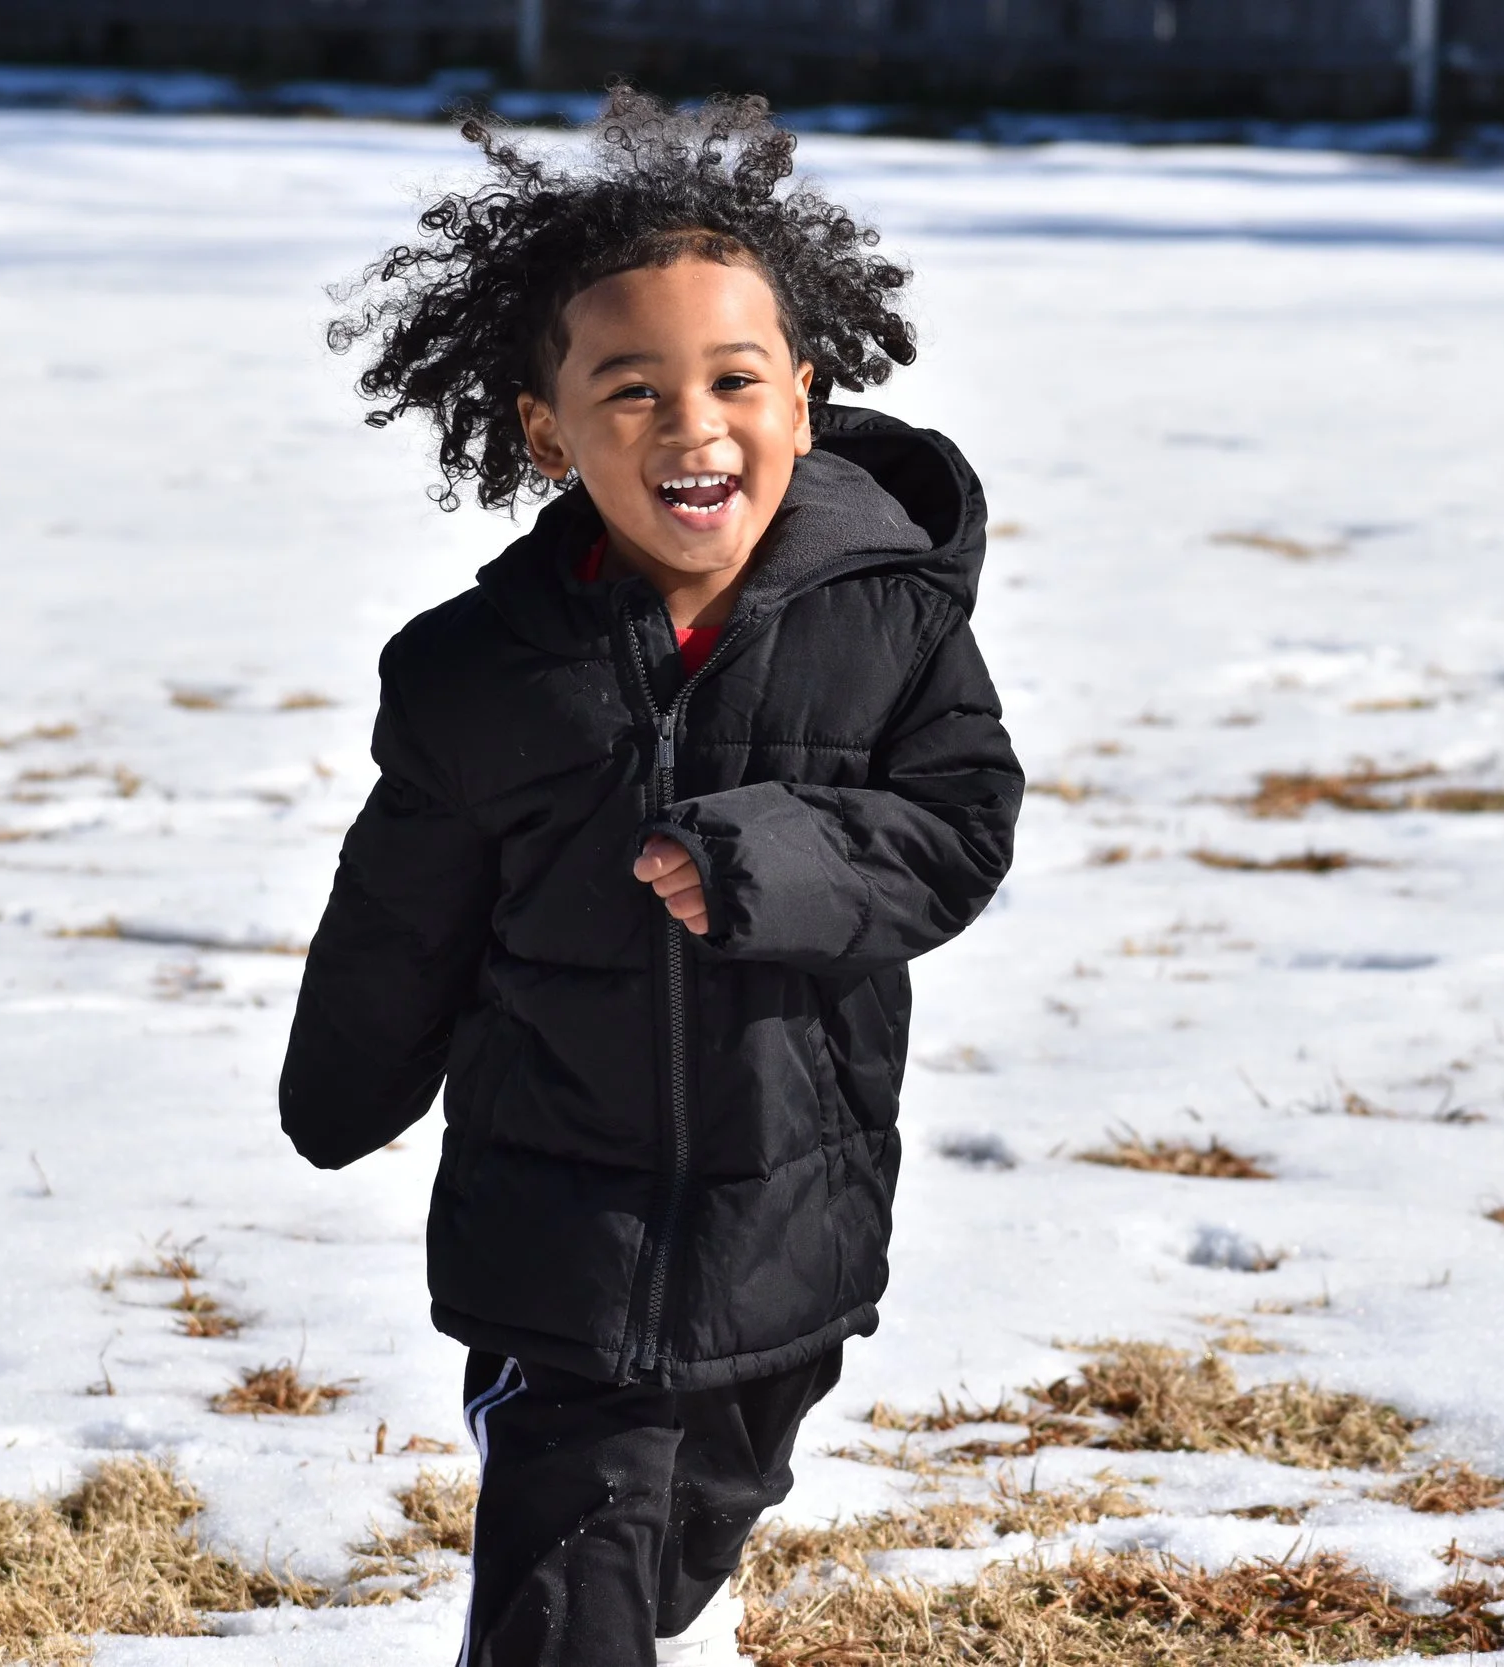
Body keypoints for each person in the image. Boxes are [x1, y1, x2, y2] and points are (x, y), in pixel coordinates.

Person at [279, 88, 1023, 1667]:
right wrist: (343, 1083)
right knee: (574, 1568)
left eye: (733, 380)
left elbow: (959, 829)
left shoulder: (886, 623)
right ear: (548, 430)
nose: (692, 428)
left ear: (804, 401)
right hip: (556, 1224)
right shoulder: (480, 673)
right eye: (631, 390)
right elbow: (403, 907)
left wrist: (768, 855)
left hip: (789, 1217)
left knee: (694, 1521)